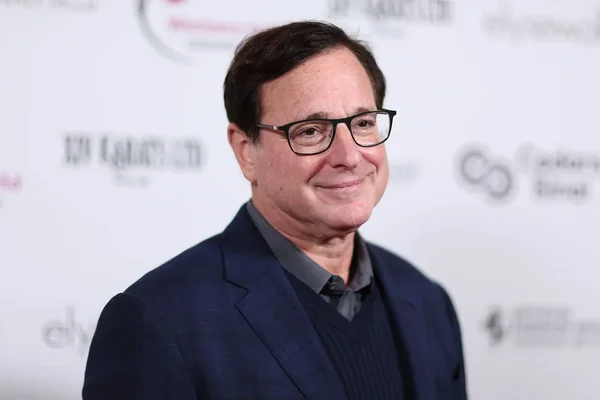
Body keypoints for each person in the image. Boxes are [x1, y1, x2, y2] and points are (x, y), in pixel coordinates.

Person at [82, 20, 468, 400]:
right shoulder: (158, 320)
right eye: (311, 131)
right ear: (246, 151)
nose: (349, 156)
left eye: (363, 123)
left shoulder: (427, 301)